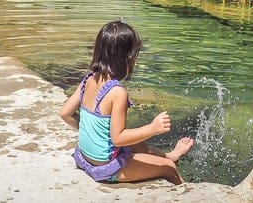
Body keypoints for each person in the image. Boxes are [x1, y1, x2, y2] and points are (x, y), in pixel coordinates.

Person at [59, 20, 194, 185]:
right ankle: (185, 188)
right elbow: (118, 139)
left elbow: (65, 113)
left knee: (136, 142)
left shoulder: (89, 79)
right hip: (106, 168)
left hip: (83, 157)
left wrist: (93, 134)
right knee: (169, 167)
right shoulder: (118, 93)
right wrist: (152, 128)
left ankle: (170, 155)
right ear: (126, 58)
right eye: (134, 56)